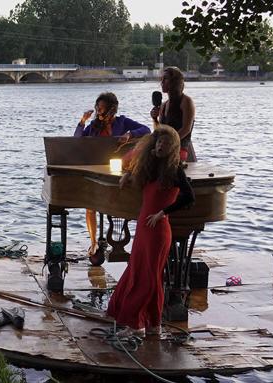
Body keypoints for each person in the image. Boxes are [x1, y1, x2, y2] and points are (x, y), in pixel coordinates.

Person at [106, 126, 195, 337]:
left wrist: (163, 212)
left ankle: (135, 325)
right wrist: (128, 174)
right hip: (144, 228)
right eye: (158, 142)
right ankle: (154, 324)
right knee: (145, 274)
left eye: (165, 143)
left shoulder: (175, 170)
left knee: (147, 276)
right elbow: (135, 169)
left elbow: (188, 197)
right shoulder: (152, 166)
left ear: (173, 147)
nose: (160, 146)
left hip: (157, 230)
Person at [75, 92, 151, 257]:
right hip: (96, 170)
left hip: (118, 169)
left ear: (112, 109)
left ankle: (132, 243)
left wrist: (129, 134)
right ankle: (94, 242)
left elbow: (146, 130)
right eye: (97, 108)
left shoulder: (122, 122)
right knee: (90, 205)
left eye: (101, 108)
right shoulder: (94, 126)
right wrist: (82, 121)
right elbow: (77, 139)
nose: (98, 111)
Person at [151, 66, 196, 162]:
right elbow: (160, 131)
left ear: (175, 82)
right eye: (161, 79)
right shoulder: (163, 105)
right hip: (162, 147)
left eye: (165, 79)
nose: (162, 82)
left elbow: (186, 129)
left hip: (179, 148)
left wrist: (168, 144)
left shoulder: (186, 101)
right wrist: (155, 119)